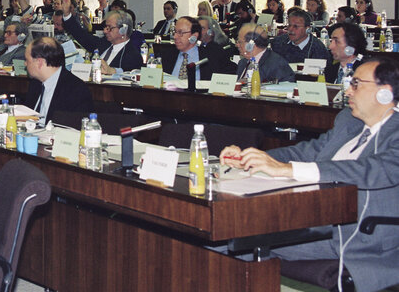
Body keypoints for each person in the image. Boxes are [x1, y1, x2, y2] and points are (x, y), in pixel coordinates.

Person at [220, 58, 399, 292]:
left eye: (356, 84)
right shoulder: (349, 122)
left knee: (228, 240)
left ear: (385, 93)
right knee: (226, 234)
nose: (347, 91)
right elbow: (309, 151)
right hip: (312, 216)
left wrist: (288, 170)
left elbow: (377, 169)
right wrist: (252, 158)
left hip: (359, 233)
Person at [61, 0, 142, 72]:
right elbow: (81, 34)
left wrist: (112, 71)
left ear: (123, 30)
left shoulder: (133, 55)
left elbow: (129, 76)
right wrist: (67, 14)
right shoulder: (103, 43)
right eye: (105, 27)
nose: (105, 31)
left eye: (109, 28)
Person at [25, 37, 93, 122]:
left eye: (27, 60)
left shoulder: (76, 90)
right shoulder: (35, 84)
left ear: (39, 63)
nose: (25, 63)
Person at [158, 17, 236, 81]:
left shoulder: (212, 56)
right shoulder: (165, 55)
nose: (175, 37)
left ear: (194, 36)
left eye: (181, 33)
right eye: (175, 32)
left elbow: (232, 71)